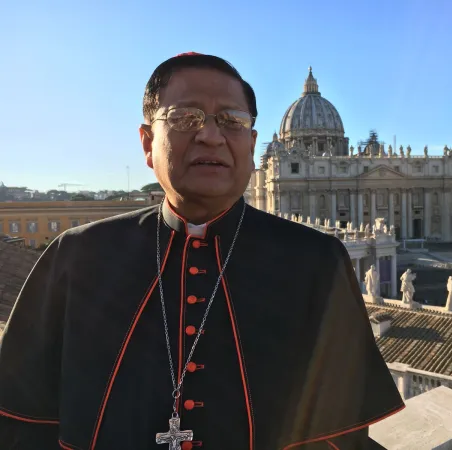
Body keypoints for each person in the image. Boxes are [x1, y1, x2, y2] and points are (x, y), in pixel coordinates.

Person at [0, 53, 404, 449]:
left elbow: (338, 436)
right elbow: (23, 422)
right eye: (185, 119)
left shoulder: (318, 261)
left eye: (231, 121)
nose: (211, 135)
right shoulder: (75, 256)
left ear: (252, 143)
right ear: (147, 142)